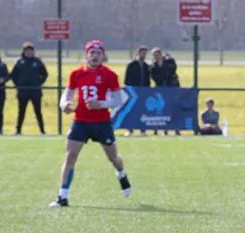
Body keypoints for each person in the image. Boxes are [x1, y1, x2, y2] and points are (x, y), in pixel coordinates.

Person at [50, 40, 132, 208]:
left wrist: (101, 104)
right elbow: (67, 94)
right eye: (92, 53)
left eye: (98, 53)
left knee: (113, 158)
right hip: (80, 121)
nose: (94, 56)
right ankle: (62, 197)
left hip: (101, 122)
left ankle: (121, 173)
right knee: (70, 156)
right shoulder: (76, 74)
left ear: (103, 56)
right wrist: (64, 104)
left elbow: (118, 99)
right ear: (86, 55)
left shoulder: (110, 75)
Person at [11, 43, 49, 135]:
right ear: (24, 52)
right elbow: (13, 75)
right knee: (21, 112)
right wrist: (18, 84)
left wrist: (39, 82)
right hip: (23, 91)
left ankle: (42, 131)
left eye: (31, 51)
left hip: (35, 91)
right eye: (27, 51)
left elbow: (44, 74)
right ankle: (18, 130)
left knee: (38, 112)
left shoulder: (37, 61)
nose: (29, 52)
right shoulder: (20, 62)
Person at [123, 47, 152, 136]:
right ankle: (130, 130)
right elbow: (126, 80)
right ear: (138, 53)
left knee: (142, 111)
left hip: (143, 92)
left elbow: (148, 80)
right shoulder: (131, 65)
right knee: (131, 111)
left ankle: (142, 130)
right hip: (133, 93)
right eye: (142, 52)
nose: (143, 55)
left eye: (145, 53)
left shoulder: (146, 66)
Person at [152, 48, 181, 135]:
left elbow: (173, 70)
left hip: (172, 88)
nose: (156, 57)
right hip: (161, 89)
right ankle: (164, 129)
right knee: (162, 109)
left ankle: (176, 129)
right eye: (154, 55)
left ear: (160, 54)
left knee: (173, 108)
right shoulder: (154, 65)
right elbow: (155, 77)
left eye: (157, 55)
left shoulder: (169, 61)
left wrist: (164, 75)